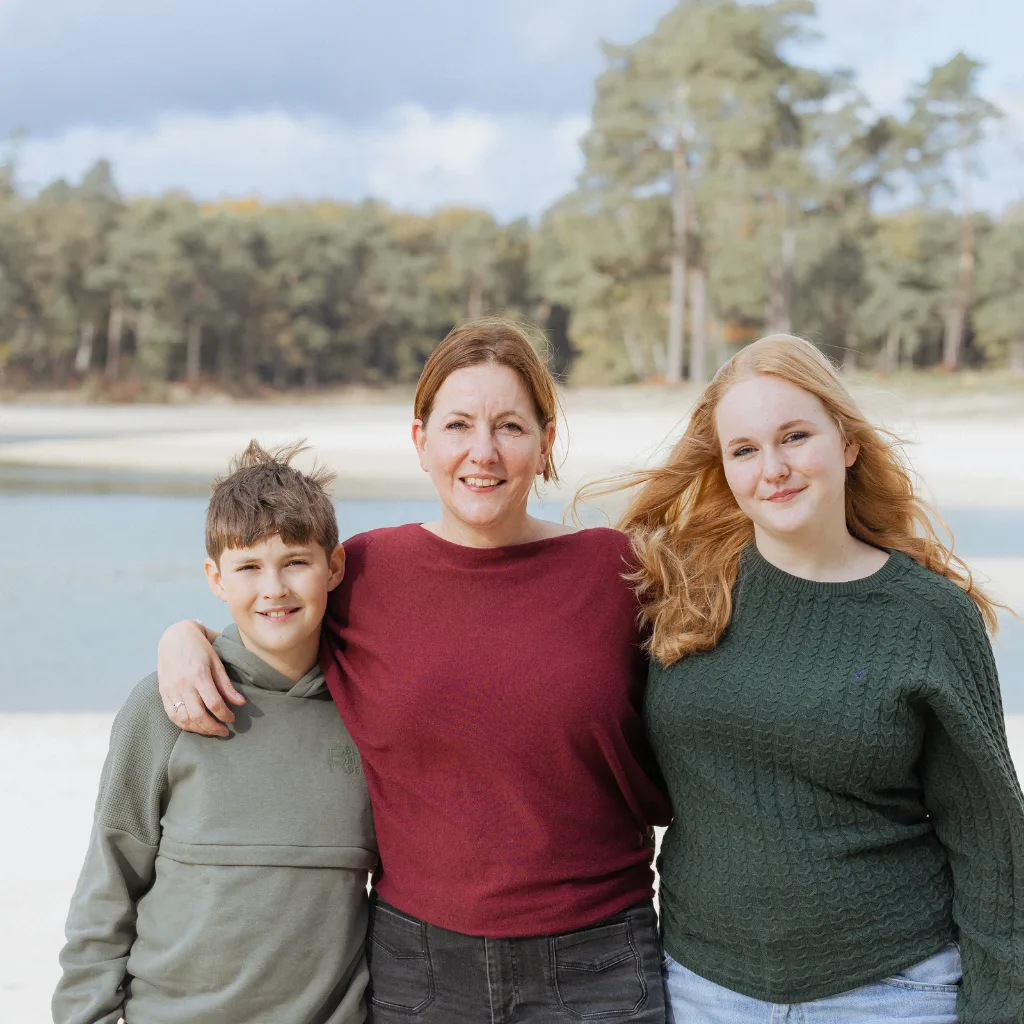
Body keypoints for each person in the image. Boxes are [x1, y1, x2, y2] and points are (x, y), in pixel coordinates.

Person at [155, 317, 671, 1022]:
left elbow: (706, 700)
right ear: (420, 439)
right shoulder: (364, 572)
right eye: (458, 425)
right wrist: (184, 636)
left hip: (599, 962)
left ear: (546, 444)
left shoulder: (615, 571)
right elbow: (268, 616)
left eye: (511, 428)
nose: (482, 453)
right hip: (420, 964)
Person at [608, 333, 1024, 1021]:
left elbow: (992, 843)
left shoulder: (930, 617)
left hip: (894, 992)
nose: (773, 468)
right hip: (701, 988)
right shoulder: (682, 591)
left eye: (795, 436)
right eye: (744, 449)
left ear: (847, 441)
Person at [53, 441, 377, 1024]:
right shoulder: (166, 705)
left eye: (296, 562)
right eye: (249, 566)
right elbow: (110, 879)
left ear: (334, 568)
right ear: (215, 578)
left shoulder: (370, 710)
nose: (273, 588)